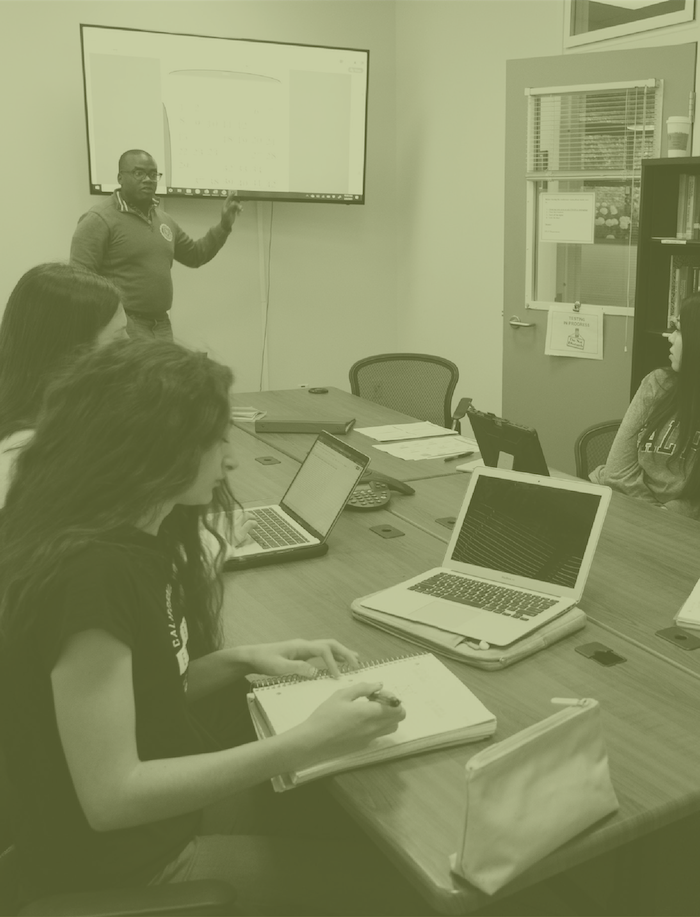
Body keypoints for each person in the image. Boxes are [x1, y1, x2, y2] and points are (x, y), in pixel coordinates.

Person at [0, 339, 425, 916]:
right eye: (216, 439)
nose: (231, 458)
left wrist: (241, 659)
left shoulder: (129, 540)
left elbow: (137, 698)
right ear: (155, 449)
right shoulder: (92, 575)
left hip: (151, 829)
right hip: (134, 864)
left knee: (355, 824)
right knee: (404, 891)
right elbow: (112, 797)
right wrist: (305, 740)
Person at [69, 149, 243, 341]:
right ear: (120, 177)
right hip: (124, 326)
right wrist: (110, 323)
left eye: (153, 174)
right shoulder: (99, 219)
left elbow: (195, 255)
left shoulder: (164, 220)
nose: (148, 179)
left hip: (161, 325)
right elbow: (79, 281)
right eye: (138, 173)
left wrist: (224, 226)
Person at [0, 262, 128, 506]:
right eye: (118, 337)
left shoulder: (67, 421)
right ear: (72, 350)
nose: (130, 346)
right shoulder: (27, 454)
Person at [590, 293, 700, 518]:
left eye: (679, 330)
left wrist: (664, 515)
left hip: (680, 527)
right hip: (623, 501)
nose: (669, 337)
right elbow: (617, 472)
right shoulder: (657, 383)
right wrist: (654, 513)